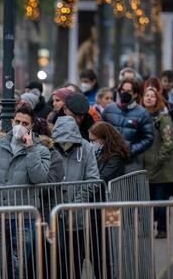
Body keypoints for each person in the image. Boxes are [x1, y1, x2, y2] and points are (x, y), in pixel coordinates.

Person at [0, 103, 51, 278]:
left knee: (21, 264)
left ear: (31, 126)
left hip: (24, 218)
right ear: (12, 122)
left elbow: (39, 177)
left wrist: (30, 149)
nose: (20, 126)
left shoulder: (41, 150)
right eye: (17, 121)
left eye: (25, 123)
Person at [52, 115, 101, 278]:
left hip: (78, 220)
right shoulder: (50, 147)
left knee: (75, 263)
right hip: (53, 219)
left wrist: (75, 205)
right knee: (56, 265)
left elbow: (93, 179)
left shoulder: (85, 148)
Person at [139, 86, 173, 239]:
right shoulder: (140, 117)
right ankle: (147, 228)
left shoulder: (163, 118)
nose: (148, 98)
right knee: (146, 201)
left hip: (161, 168)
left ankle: (162, 229)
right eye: (146, 95)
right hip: (144, 167)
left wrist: (158, 159)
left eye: (152, 96)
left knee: (160, 201)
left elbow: (169, 142)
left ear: (157, 100)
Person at [102, 78, 155, 172]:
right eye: (123, 90)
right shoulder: (109, 109)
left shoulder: (142, 113)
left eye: (128, 91)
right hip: (110, 160)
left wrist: (131, 150)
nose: (125, 93)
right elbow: (100, 132)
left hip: (131, 162)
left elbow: (148, 138)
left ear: (135, 94)